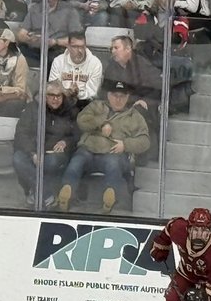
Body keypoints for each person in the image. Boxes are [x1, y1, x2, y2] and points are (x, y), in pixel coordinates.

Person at [58, 80, 149, 213]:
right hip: (88, 150)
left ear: (128, 97)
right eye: (115, 96)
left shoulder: (134, 116)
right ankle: (66, 193)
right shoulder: (96, 106)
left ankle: (109, 199)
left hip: (113, 153)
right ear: (108, 95)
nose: (118, 100)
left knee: (113, 164)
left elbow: (145, 141)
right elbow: (81, 121)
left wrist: (125, 145)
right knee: (76, 162)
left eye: (122, 96)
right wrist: (101, 122)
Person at [14, 81, 78, 207]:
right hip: (33, 150)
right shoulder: (32, 108)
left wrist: (66, 142)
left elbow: (76, 134)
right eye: (51, 95)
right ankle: (46, 194)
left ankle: (37, 193)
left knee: (51, 162)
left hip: (56, 153)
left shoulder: (69, 110)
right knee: (18, 159)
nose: (55, 99)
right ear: (44, 96)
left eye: (59, 96)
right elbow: (21, 134)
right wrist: (32, 153)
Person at [48, 32, 103, 107]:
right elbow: (52, 87)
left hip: (86, 104)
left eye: (82, 47)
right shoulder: (58, 61)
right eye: (75, 47)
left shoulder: (95, 63)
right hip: (61, 103)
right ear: (68, 46)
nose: (79, 51)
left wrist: (78, 93)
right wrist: (67, 92)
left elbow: (92, 92)